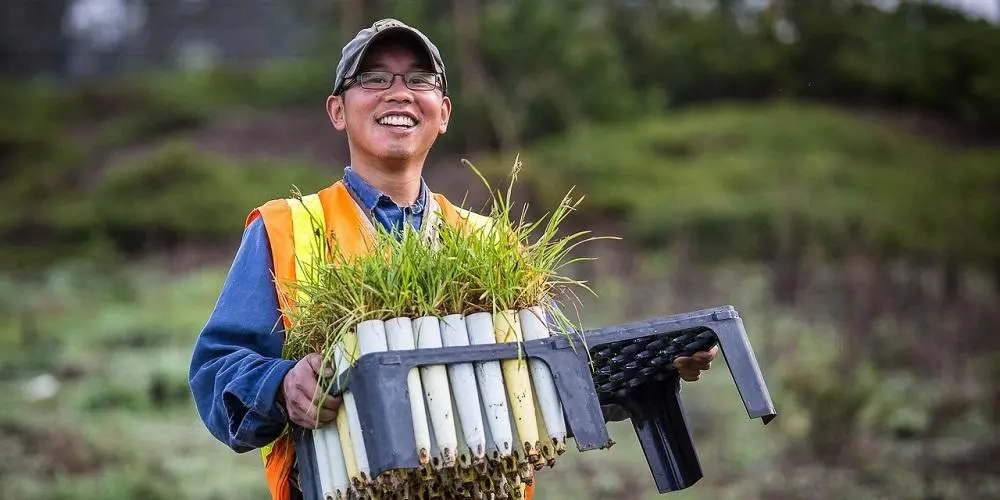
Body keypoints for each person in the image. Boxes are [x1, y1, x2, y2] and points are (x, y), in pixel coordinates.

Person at [187, 18, 718, 500]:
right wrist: (280, 385)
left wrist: (650, 368)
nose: (399, 93)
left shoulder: (493, 246)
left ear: (443, 113)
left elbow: (555, 377)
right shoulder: (286, 229)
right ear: (336, 110)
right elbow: (216, 372)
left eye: (419, 80)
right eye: (373, 79)